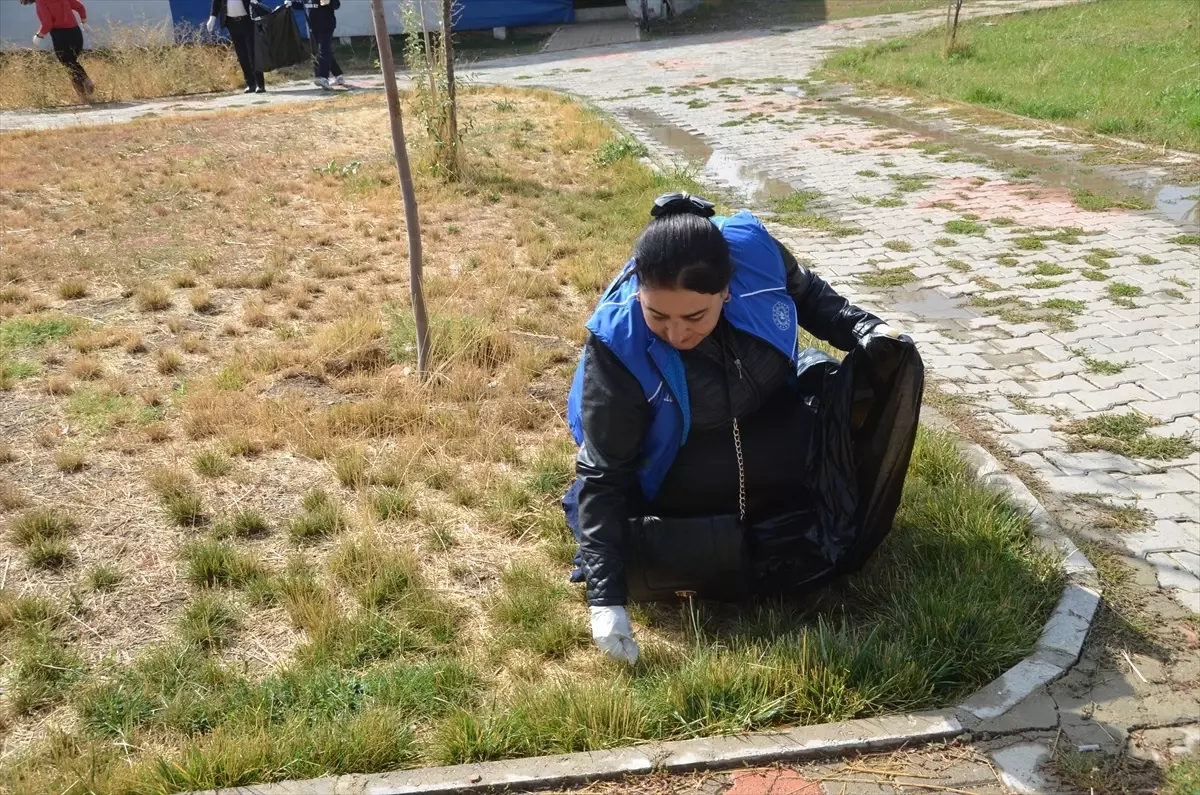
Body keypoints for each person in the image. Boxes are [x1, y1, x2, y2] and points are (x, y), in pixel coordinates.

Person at [564, 193, 924, 665]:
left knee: (827, 424)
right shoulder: (617, 346)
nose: (676, 334)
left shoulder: (755, 254)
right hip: (675, 455)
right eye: (658, 316)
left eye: (694, 316)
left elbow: (810, 296)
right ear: (638, 293)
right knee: (692, 545)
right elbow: (604, 472)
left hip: (767, 407)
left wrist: (865, 329)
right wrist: (605, 601)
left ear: (727, 291)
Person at [25, 0, 94, 103]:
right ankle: (84, 92)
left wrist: (39, 36)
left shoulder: (41, 1)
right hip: (76, 33)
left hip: (60, 36)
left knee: (68, 63)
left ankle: (85, 87)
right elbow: (79, 6)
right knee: (71, 63)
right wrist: (84, 22)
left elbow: (47, 23)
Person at [207, 0, 268, 94]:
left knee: (252, 52)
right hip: (231, 22)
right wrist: (212, 17)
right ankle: (251, 84)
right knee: (241, 54)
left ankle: (260, 84)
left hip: (248, 20)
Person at [297, 0, 342, 90]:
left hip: (326, 25)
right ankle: (338, 75)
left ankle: (323, 78)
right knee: (323, 51)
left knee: (324, 50)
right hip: (314, 26)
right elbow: (303, 5)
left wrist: (329, 2)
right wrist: (291, 4)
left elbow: (337, 4)